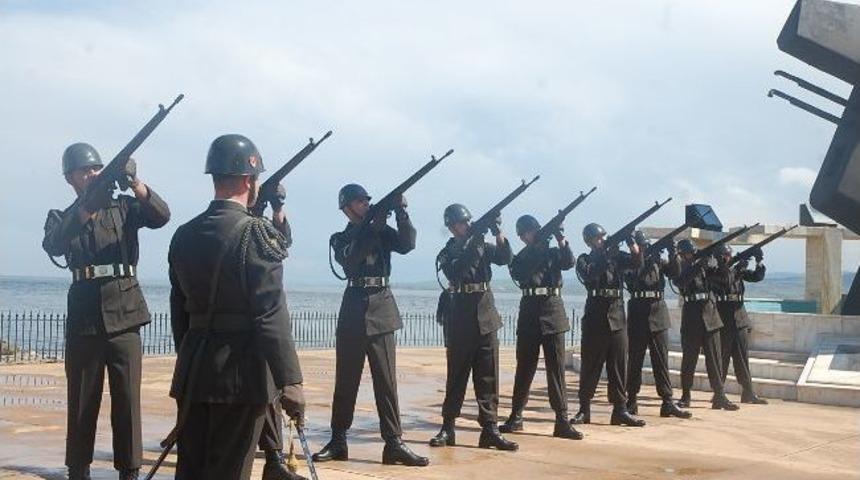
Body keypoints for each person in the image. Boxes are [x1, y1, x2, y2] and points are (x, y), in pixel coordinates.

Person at [168, 134, 305, 480]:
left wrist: (190, 358)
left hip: (193, 370)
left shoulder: (183, 234)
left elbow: (179, 311)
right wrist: (290, 381)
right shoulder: (257, 234)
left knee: (191, 470)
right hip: (240, 376)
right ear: (249, 180)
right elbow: (270, 313)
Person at [42, 143, 170, 480]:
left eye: (96, 168)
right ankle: (78, 470)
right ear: (70, 177)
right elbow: (54, 243)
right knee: (82, 401)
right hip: (85, 315)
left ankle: (129, 471)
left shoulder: (124, 208)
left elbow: (161, 216)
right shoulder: (61, 215)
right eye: (85, 170)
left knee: (127, 400)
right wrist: (86, 210)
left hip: (125, 313)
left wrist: (135, 182)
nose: (92, 174)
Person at [313, 184, 429, 467]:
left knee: (386, 382)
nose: (366, 204)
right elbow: (350, 261)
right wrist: (372, 227)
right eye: (360, 201)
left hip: (382, 306)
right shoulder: (340, 238)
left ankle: (394, 443)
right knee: (346, 381)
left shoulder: (382, 231)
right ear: (346, 207)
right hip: (354, 307)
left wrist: (401, 212)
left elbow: (407, 243)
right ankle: (338, 440)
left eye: (367, 201)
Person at [429, 203, 518, 451]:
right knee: (457, 375)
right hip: (460, 317)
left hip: (485, 314)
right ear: (451, 227)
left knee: (488, 375)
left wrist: (498, 231)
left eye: (469, 222)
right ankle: (448, 427)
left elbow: (505, 258)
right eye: (462, 223)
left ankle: (490, 428)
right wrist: (477, 240)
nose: (467, 226)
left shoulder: (481, 245)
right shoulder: (447, 253)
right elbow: (457, 271)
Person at [498, 215, 582, 440]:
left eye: (535, 230)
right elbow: (522, 274)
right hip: (529, 313)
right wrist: (538, 246)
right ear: (522, 236)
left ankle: (562, 420)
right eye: (528, 231)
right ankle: (516, 416)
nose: (532, 234)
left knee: (556, 369)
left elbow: (568, 262)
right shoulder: (520, 257)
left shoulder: (553, 252)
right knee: (525, 367)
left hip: (552, 310)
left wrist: (561, 238)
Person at [572, 223, 645, 427]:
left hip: (617, 315)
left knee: (619, 365)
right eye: (598, 238)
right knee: (590, 366)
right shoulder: (584, 259)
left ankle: (620, 409)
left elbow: (637, 263)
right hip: (596, 316)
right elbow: (590, 274)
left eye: (604, 237)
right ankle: (584, 409)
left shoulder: (616, 256)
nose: (602, 240)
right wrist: (606, 255)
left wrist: (631, 242)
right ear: (589, 241)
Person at [623, 231, 691, 419]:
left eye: (646, 246)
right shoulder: (630, 262)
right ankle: (631, 400)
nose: (644, 249)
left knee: (661, 360)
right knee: (635, 360)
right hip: (638, 312)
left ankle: (667, 402)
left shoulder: (658, 262)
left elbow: (676, 273)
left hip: (658, 312)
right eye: (641, 246)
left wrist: (672, 251)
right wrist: (642, 256)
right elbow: (633, 276)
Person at [674, 239, 738, 411]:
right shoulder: (679, 266)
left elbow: (725, 281)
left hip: (710, 314)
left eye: (692, 253)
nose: (690, 256)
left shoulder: (705, 267)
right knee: (689, 360)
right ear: (681, 254)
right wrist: (698, 265)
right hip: (692, 316)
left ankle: (719, 396)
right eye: (687, 254)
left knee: (715, 359)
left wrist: (720, 261)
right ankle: (685, 396)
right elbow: (680, 282)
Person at [710, 244, 768, 405]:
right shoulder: (714, 273)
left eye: (730, 255)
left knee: (742, 358)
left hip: (740, 318)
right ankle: (718, 394)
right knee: (723, 358)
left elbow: (757, 277)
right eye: (726, 255)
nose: (729, 258)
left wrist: (759, 260)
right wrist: (739, 265)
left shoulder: (737, 271)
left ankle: (748, 392)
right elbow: (726, 281)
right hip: (723, 319)